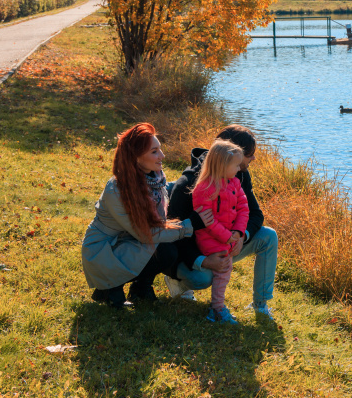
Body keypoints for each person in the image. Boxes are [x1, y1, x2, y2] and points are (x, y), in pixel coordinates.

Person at [165, 125, 278, 318]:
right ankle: (178, 281)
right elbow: (174, 232)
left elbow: (255, 214)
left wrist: (241, 234)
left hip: (228, 242)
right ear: (230, 153)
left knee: (269, 236)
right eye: (249, 154)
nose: (253, 158)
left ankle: (260, 304)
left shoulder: (238, 174)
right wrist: (204, 260)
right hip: (196, 251)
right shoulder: (190, 183)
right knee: (202, 278)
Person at [81, 123, 193, 308]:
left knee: (166, 252)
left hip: (127, 241)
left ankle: (141, 287)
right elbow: (146, 234)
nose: (162, 156)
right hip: (104, 251)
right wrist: (190, 226)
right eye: (154, 152)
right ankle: (110, 286)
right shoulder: (117, 189)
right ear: (136, 158)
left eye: (160, 149)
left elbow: (158, 219)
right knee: (163, 247)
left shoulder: (154, 179)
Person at [191, 140, 249, 324]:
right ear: (222, 165)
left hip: (230, 235)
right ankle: (216, 308)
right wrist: (226, 237)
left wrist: (238, 232)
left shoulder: (235, 183)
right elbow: (207, 222)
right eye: (236, 165)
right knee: (224, 268)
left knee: (225, 268)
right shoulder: (204, 188)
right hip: (210, 238)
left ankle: (217, 306)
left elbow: (243, 209)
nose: (239, 169)